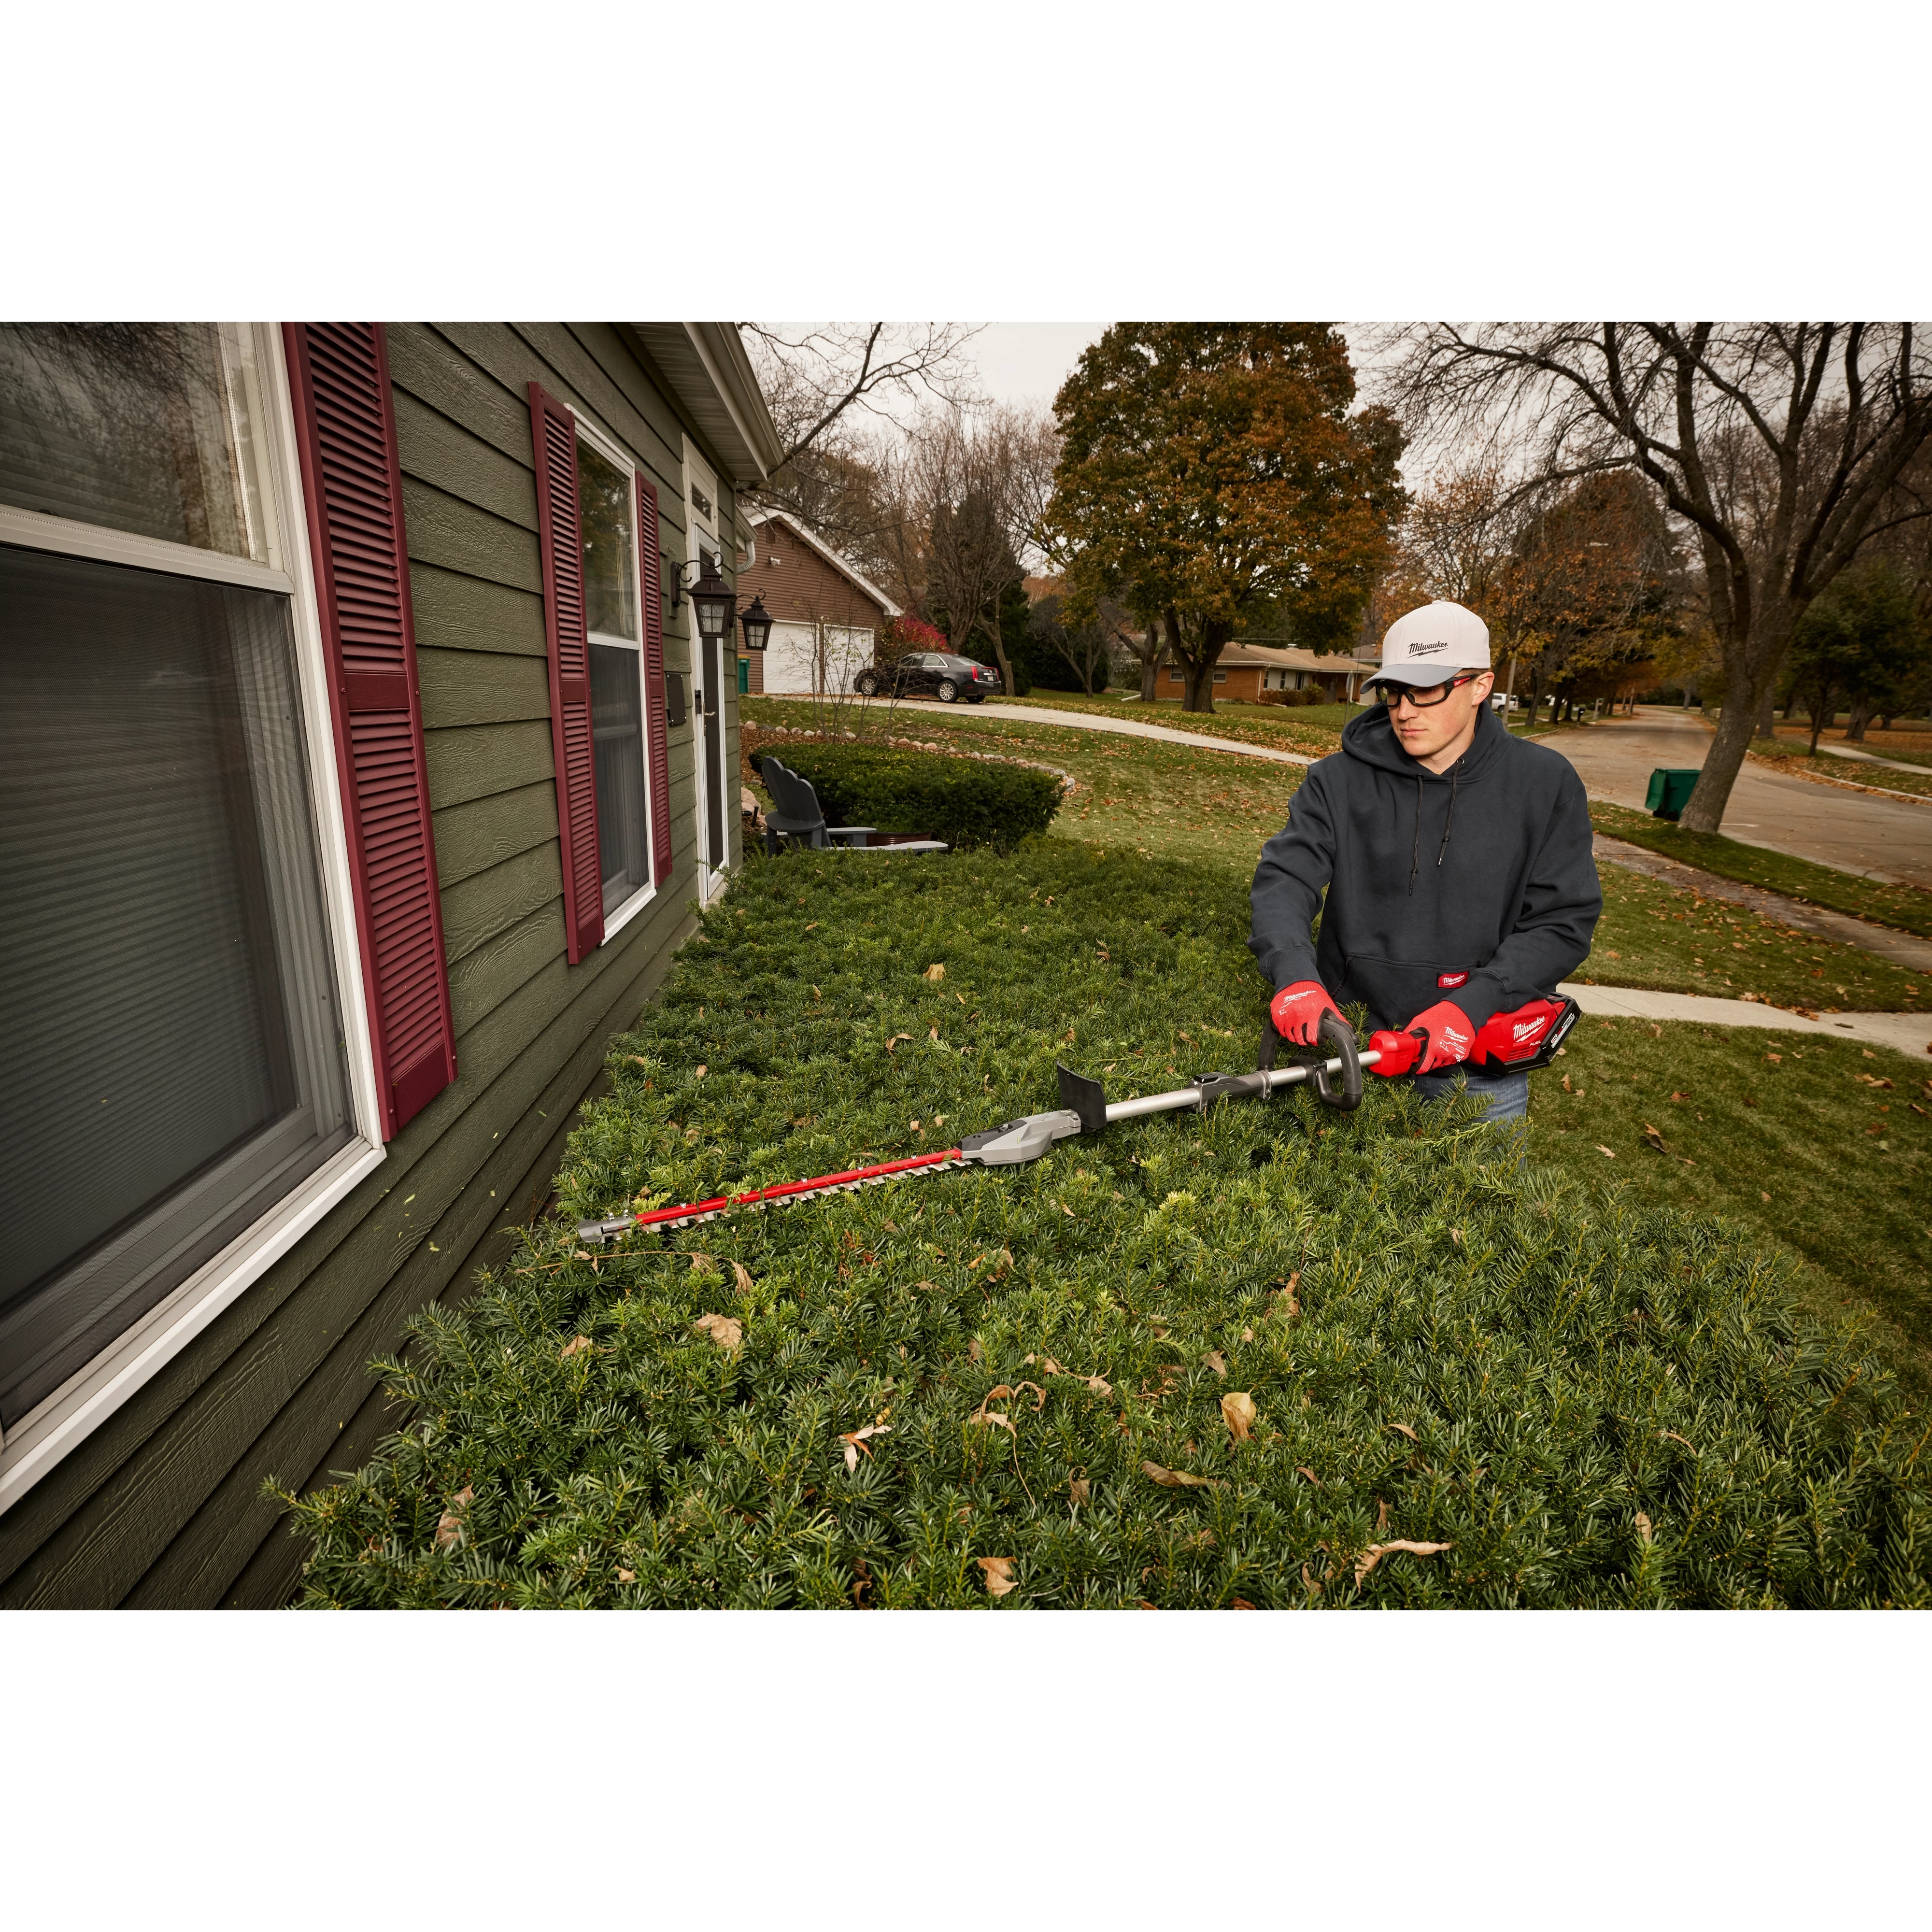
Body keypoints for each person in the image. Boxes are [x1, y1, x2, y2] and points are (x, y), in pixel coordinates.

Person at [1250, 601, 1600, 1121]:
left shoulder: (1545, 784)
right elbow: (1286, 878)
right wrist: (1295, 975)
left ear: (1480, 686)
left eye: (1426, 689)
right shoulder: (1336, 780)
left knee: (1481, 1177)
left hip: (1474, 1065)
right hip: (1350, 1043)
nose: (1404, 710)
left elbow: (1562, 922)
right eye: (1395, 691)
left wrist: (1473, 1004)